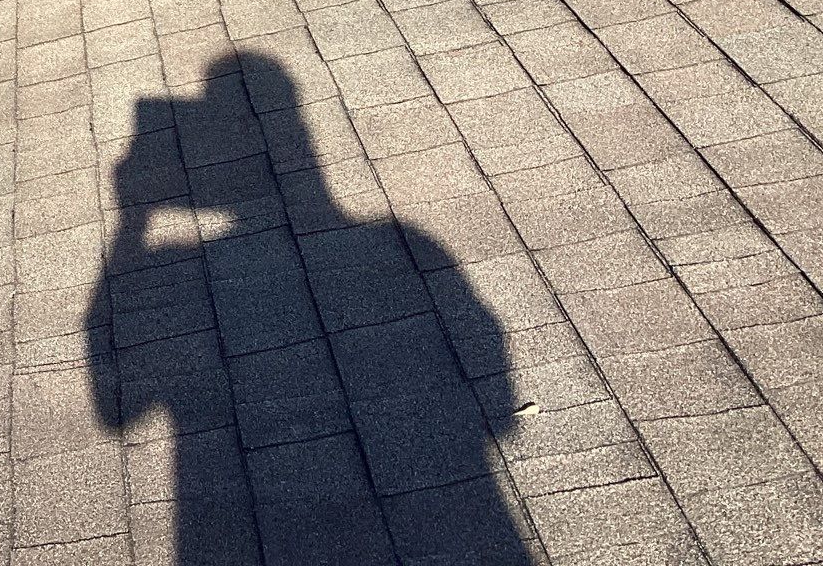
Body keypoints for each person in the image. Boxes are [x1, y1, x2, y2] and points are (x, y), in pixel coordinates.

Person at [88, 49, 535, 565]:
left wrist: (132, 222)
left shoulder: (179, 264)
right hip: (475, 523)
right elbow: (497, 401)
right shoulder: (406, 242)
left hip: (218, 516)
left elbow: (118, 411)